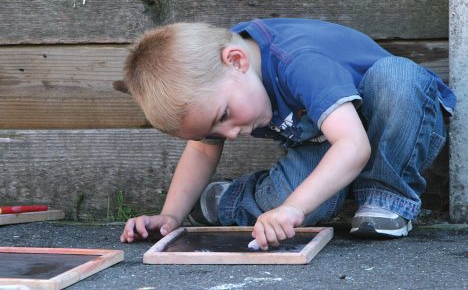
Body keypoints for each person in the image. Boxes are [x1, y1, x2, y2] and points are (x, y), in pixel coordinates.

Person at [119, 18, 455, 250]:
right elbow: (202, 150)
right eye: (215, 130)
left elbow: (353, 144)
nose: (230, 135)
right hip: (326, 141)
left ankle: (385, 198)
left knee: (398, 76)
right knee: (294, 215)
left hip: (395, 123)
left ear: (236, 61)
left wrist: (292, 207)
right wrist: (170, 216)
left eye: (224, 116)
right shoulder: (214, 77)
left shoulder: (298, 61)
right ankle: (227, 200)